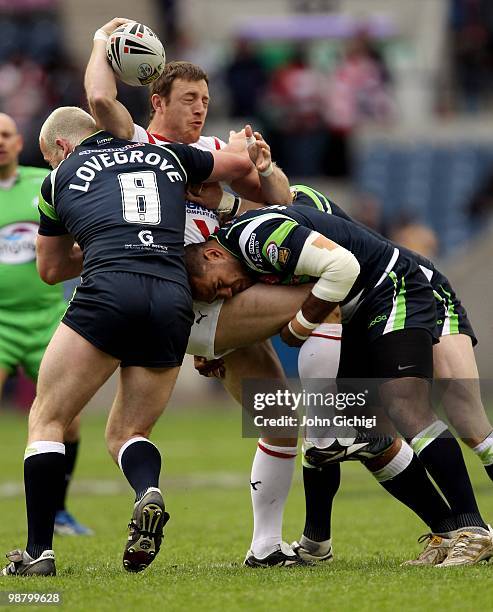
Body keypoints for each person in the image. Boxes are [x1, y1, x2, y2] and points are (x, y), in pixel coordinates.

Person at [84, 17, 308, 567]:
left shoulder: (213, 150)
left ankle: (266, 546)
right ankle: (362, 421)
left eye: (206, 99)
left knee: (279, 420)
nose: (201, 109)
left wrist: (263, 162)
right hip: (169, 300)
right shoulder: (133, 145)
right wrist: (99, 45)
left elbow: (281, 204)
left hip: (220, 304)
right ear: (155, 100)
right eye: (189, 98)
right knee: (331, 284)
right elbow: (98, 96)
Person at [1, 106, 253, 577]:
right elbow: (237, 167)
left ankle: (38, 554)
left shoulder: (59, 178)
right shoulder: (163, 154)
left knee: (48, 418)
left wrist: (104, 243)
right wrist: (245, 150)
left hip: (110, 287)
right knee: (128, 433)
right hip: (175, 296)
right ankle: (147, 491)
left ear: (61, 149)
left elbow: (50, 269)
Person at [184, 193, 493, 567]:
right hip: (355, 311)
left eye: (218, 286)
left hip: (392, 287)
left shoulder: (257, 237)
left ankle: (473, 530)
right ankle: (436, 532)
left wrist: (300, 325)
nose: (227, 293)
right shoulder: (247, 255)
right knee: (359, 433)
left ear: (213, 255)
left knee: (405, 402)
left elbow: (343, 266)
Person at [0, 112, 90, 536]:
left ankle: (58, 510)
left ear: (22, 143)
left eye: (6, 134)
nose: (0, 142)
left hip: (46, 318)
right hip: (1, 322)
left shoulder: (49, 180)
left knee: (66, 418)